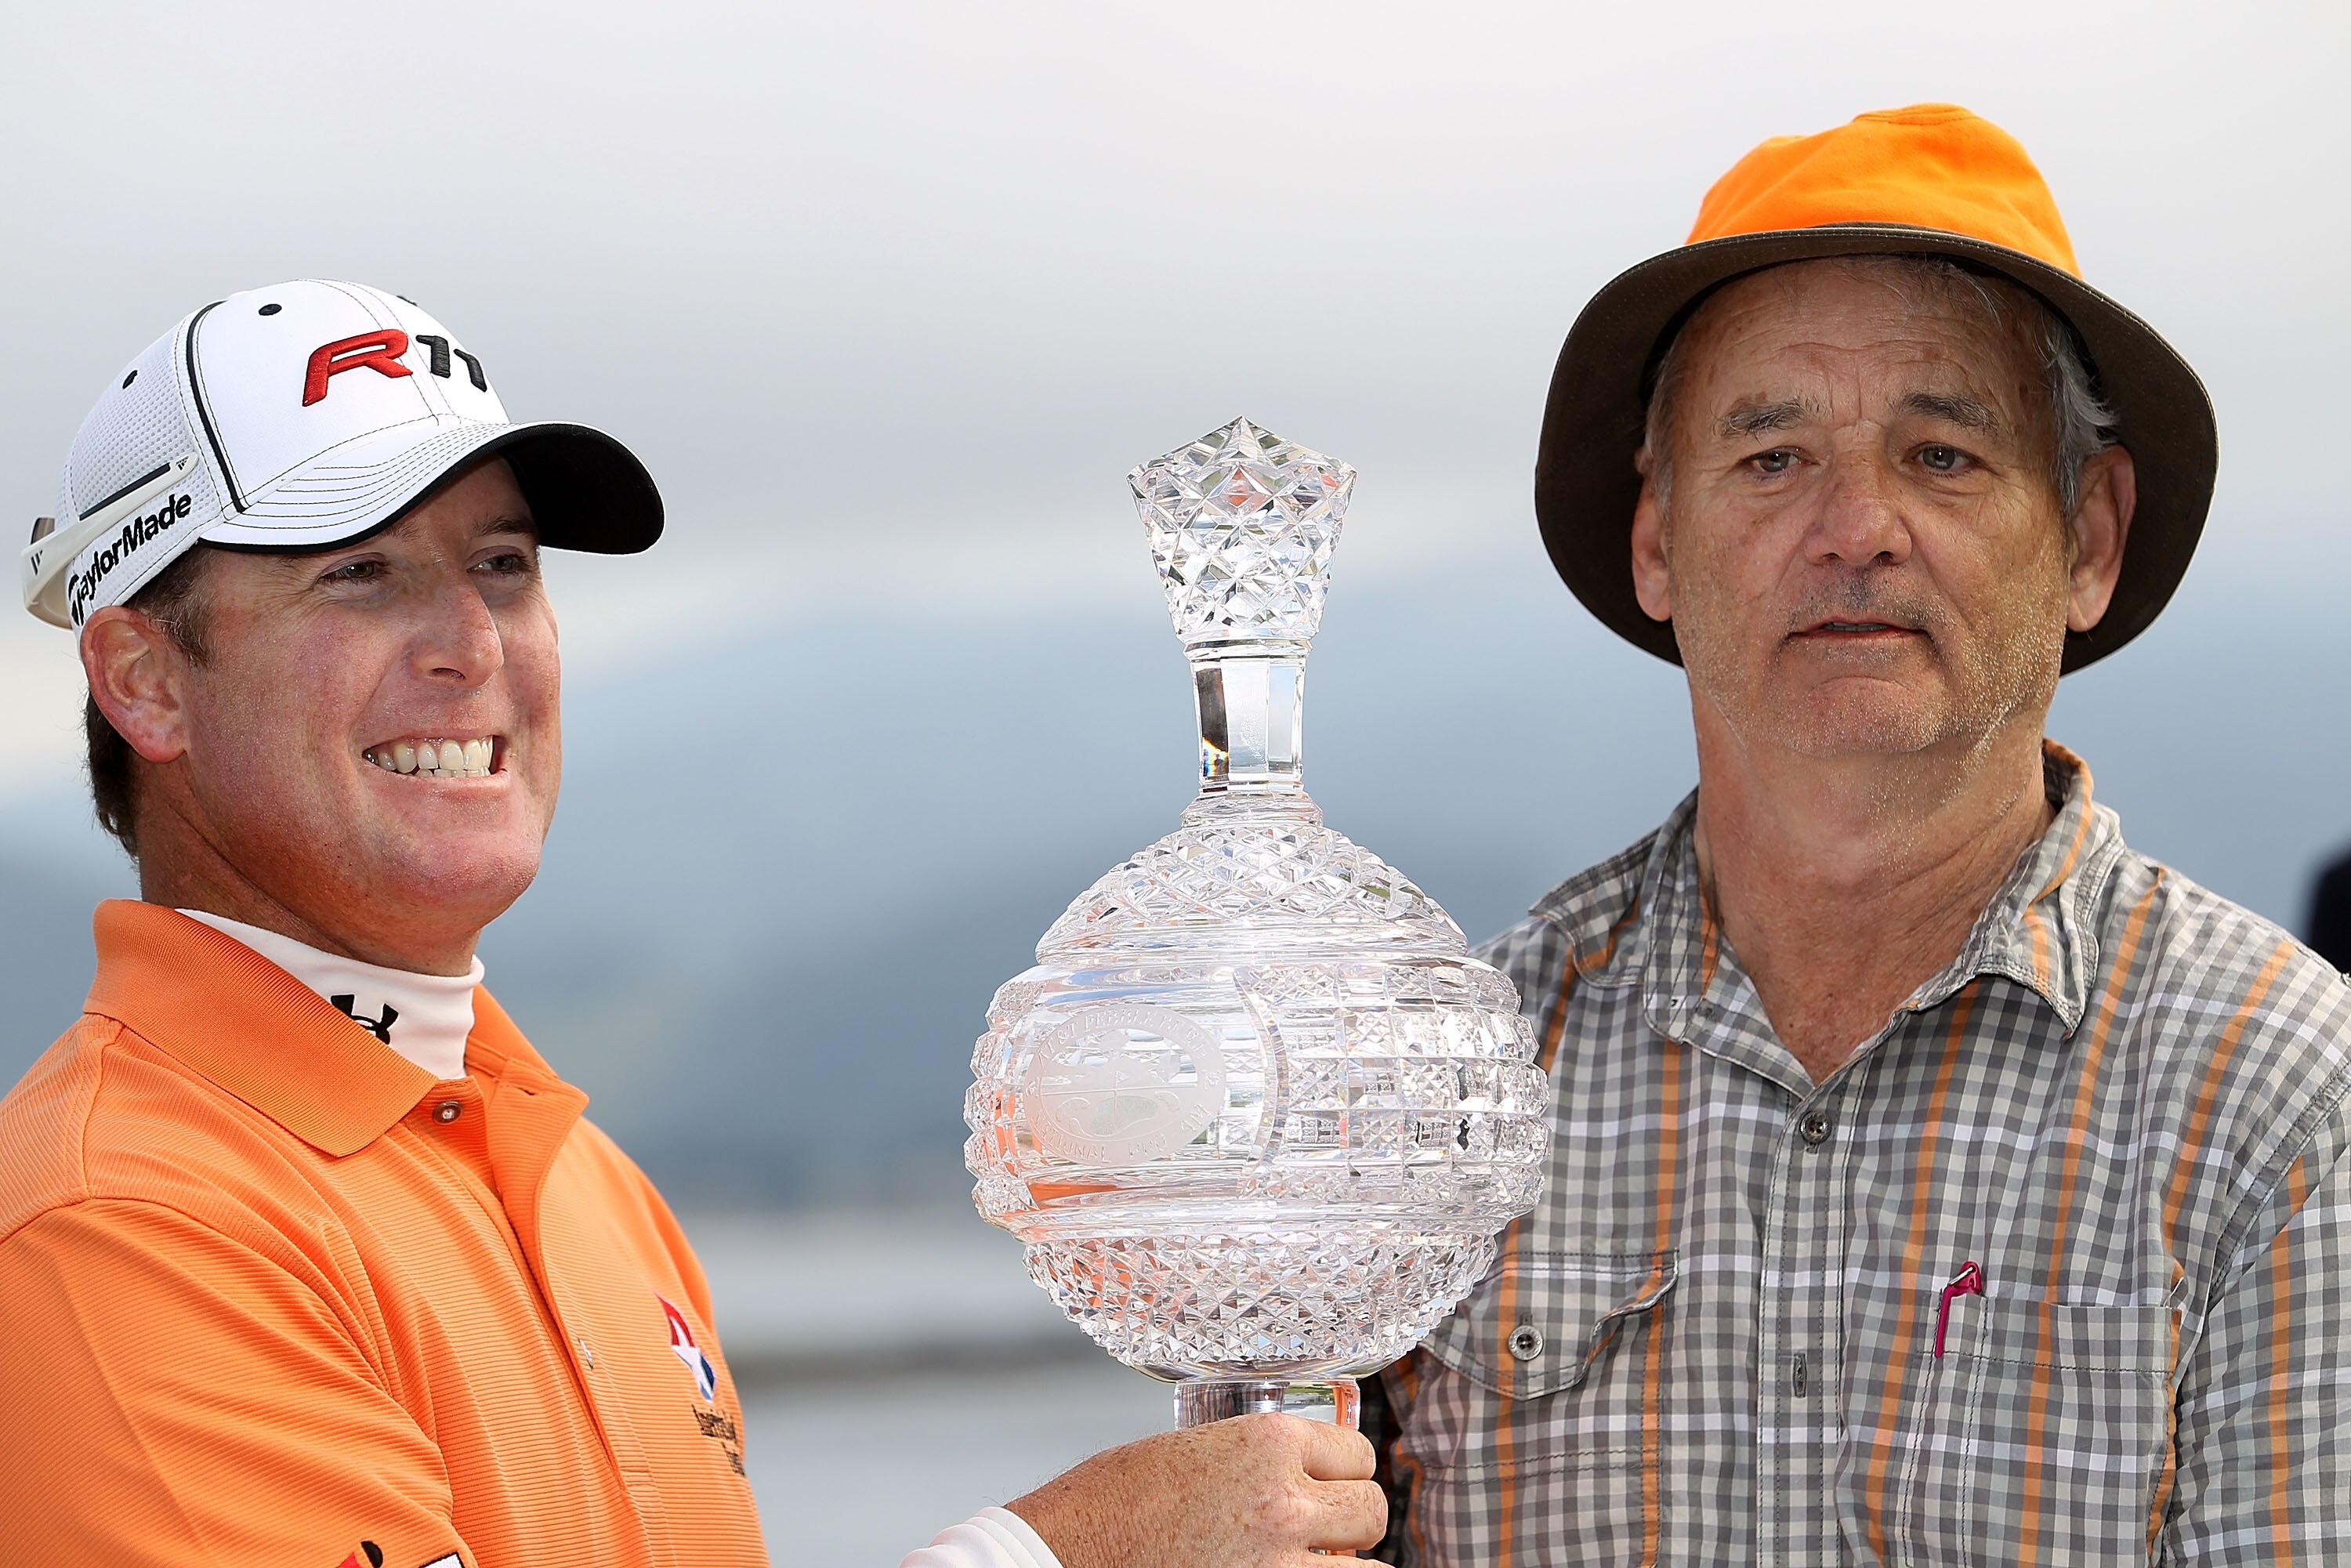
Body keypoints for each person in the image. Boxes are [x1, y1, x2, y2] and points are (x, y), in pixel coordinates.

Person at [0, 280, 1383, 1566]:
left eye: (500, 562)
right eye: (357, 573)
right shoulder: (116, 1222)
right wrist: (1059, 1552)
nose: (472, 644)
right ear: (144, 679)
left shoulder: (583, 1179)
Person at [1360, 106, 2351, 1564]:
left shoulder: (2281, 1089)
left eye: (1943, 454)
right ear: (1656, 539)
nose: (1857, 528)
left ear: (2089, 538)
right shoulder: (1449, 1091)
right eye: (1770, 459)